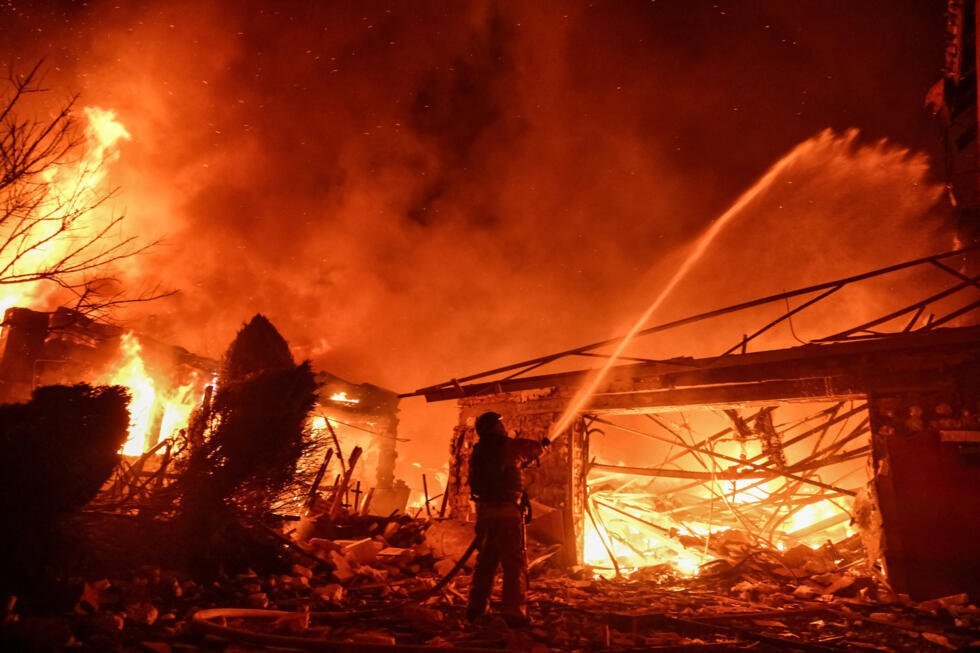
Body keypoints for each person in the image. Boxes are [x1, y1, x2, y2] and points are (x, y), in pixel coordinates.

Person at [466, 411, 549, 627]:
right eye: (500, 424)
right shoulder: (512, 446)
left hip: (484, 512)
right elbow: (535, 449)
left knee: (485, 561)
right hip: (507, 513)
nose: (503, 428)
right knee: (514, 564)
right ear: (495, 427)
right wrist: (544, 445)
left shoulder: (478, 451)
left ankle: (477, 608)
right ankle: (514, 613)